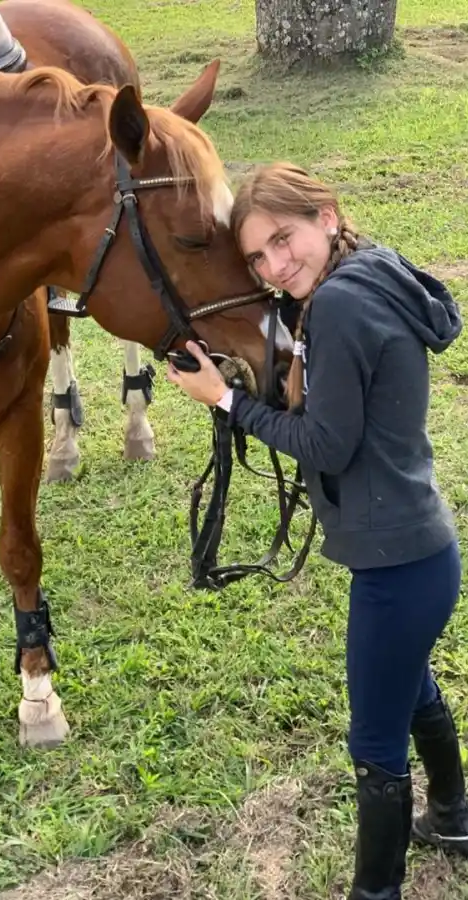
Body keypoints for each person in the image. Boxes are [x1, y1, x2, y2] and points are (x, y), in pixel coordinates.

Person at [167, 161, 467, 899]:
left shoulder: (337, 306)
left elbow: (327, 445)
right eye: (259, 258)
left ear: (326, 217)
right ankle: (456, 814)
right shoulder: (372, 272)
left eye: (282, 239)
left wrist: (223, 402)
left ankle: (377, 892)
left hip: (398, 565)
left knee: (374, 742)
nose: (275, 265)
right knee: (412, 684)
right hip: (418, 547)